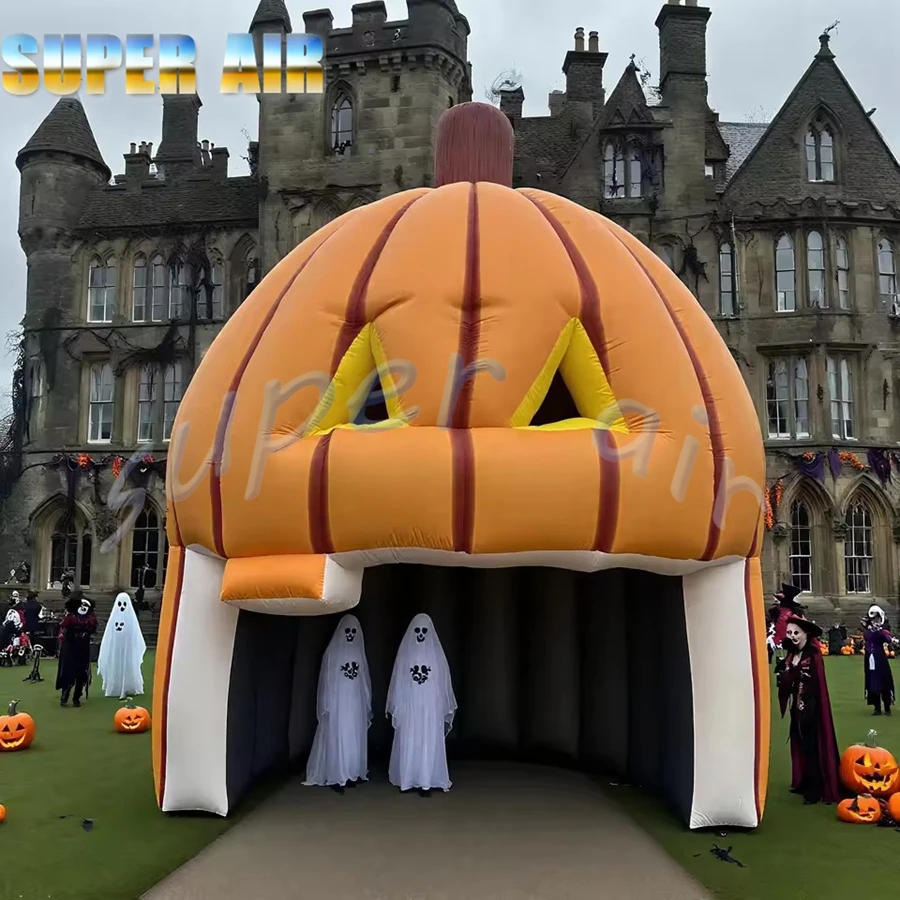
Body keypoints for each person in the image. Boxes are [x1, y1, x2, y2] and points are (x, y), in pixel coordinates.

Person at [386, 614, 457, 796]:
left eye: (424, 630)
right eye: (417, 630)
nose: (420, 634)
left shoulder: (437, 657)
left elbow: (442, 684)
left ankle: (427, 780)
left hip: (430, 707)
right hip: (410, 706)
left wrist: (439, 707)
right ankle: (408, 778)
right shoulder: (405, 655)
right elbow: (399, 682)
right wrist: (398, 705)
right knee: (410, 738)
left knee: (427, 740)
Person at [304, 615, 372, 794]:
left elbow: (363, 679)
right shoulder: (332, 653)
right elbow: (326, 681)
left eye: (354, 631)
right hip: (338, 702)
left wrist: (366, 700)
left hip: (355, 702)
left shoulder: (358, 652)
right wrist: (327, 703)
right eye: (348, 631)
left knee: (353, 736)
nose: (351, 635)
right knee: (339, 736)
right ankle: (337, 775)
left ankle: (351, 772)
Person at [778, 616, 842, 805]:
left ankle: (815, 790)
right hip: (796, 708)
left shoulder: (812, 654)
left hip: (810, 706)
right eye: (789, 633)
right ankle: (803, 782)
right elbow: (788, 681)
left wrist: (795, 677)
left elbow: (815, 683)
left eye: (796, 633)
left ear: (806, 633)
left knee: (811, 745)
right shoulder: (792, 654)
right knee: (798, 743)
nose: (792, 636)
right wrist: (785, 677)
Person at [97, 591, 146, 698]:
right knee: (116, 664)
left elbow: (135, 635)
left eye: (124, 604)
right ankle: (115, 687)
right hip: (116, 648)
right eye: (120, 604)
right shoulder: (113, 619)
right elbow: (109, 636)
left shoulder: (131, 620)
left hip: (127, 649)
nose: (122, 607)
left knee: (127, 665)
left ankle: (129, 687)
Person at [56, 593, 97, 707]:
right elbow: (63, 629)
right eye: (81, 604)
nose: (83, 607)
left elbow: (92, 629)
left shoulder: (90, 620)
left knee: (81, 673)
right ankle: (65, 695)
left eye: (86, 605)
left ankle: (76, 697)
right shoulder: (70, 619)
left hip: (83, 649)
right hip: (70, 649)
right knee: (68, 672)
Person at [861, 605, 895, 716]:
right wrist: (871, 628)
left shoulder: (882, 630)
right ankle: (877, 708)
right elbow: (867, 637)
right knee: (872, 683)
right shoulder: (868, 631)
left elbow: (888, 639)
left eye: (877, 618)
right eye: (873, 619)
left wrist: (880, 630)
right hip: (870, 660)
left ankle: (887, 707)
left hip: (880, 659)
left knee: (884, 682)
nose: (875, 621)